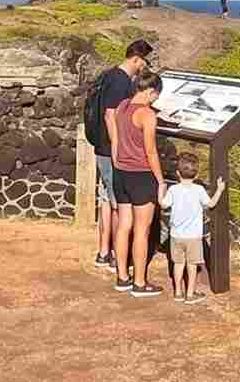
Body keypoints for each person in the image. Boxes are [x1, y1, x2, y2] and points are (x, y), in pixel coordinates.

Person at [84, 40, 154, 269]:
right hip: (110, 150)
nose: (145, 66)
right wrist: (119, 149)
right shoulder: (121, 81)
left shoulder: (109, 75)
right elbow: (110, 116)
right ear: (136, 59)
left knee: (106, 200)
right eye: (144, 62)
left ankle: (105, 252)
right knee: (117, 205)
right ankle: (116, 255)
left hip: (102, 147)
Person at [108, 72, 169, 297]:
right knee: (142, 231)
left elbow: (116, 136)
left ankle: (122, 277)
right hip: (142, 175)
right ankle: (140, 282)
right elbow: (151, 151)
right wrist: (160, 180)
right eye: (156, 95)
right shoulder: (147, 114)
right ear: (151, 92)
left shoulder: (123, 105)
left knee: (124, 226)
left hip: (121, 172)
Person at [160, 155, 226, 304]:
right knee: (192, 265)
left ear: (177, 173)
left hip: (176, 235)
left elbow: (164, 205)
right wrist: (220, 190)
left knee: (177, 264)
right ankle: (190, 294)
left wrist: (160, 190)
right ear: (196, 175)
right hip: (194, 237)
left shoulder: (173, 189)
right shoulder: (199, 189)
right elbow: (210, 204)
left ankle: (177, 292)